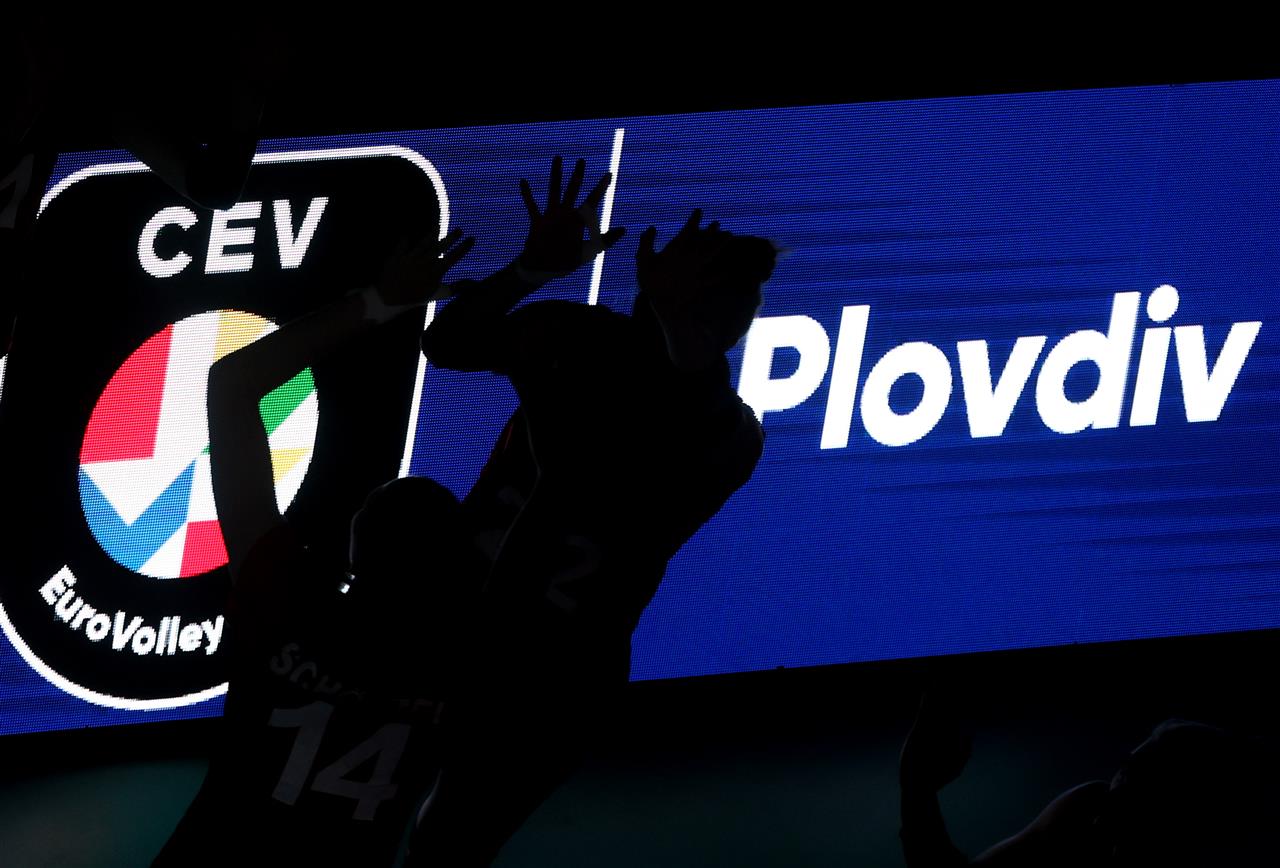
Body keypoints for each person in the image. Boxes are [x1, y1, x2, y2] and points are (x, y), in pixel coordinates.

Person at [410, 156, 777, 865]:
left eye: (715, 314)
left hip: (557, 681)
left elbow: (599, 461)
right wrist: (529, 270)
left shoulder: (731, 437)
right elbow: (446, 344)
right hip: (447, 626)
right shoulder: (573, 336)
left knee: (447, 846)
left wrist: (672, 323)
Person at [153, 229, 483, 866]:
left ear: (355, 551)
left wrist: (379, 302)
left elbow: (232, 383)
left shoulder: (286, 603)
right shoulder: (475, 668)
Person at [898, 697, 1278, 866]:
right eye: (1123, 770)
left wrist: (917, 787)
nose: (1102, 813)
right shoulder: (1085, 811)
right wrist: (918, 788)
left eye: (1136, 784)